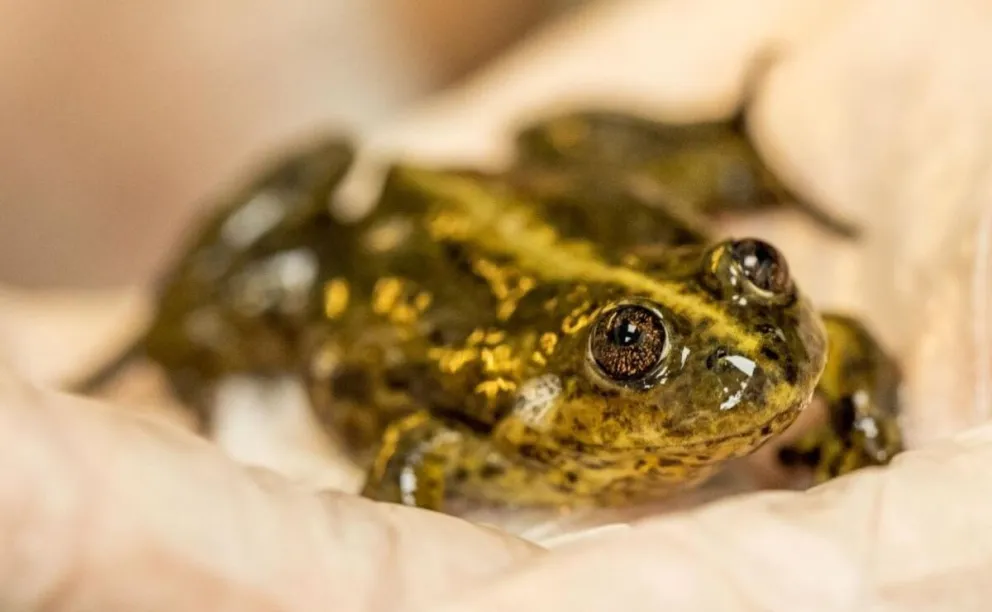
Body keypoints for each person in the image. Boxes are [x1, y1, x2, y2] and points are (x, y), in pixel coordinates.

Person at [1, 0, 990, 609]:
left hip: (548, 200)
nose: (758, 364)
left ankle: (729, 169)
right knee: (258, 300)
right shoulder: (505, 423)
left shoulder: (774, 349)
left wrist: (859, 434)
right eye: (634, 347)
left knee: (559, 145)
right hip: (389, 237)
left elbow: (847, 344)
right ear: (595, 369)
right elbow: (421, 450)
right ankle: (172, 330)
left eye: (760, 276)